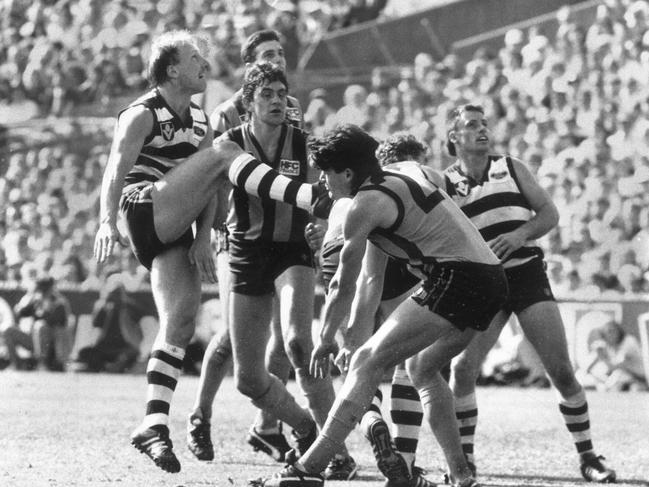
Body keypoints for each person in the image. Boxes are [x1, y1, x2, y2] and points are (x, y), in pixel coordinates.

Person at [256, 124, 508, 487]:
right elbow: (370, 283)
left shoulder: (364, 206)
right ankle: (461, 474)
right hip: (489, 280)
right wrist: (352, 332)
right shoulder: (391, 183)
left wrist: (327, 336)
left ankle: (308, 470)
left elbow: (345, 281)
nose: (323, 181)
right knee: (421, 369)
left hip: (458, 278)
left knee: (367, 360)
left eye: (326, 173)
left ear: (346, 172)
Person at [438, 104, 615, 483]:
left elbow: (549, 213)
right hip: (485, 284)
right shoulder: (447, 183)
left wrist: (520, 234)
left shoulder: (512, 167)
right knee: (463, 367)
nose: (482, 130)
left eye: (485, 124)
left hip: (526, 276)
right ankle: (465, 459)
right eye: (472, 126)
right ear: (454, 137)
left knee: (562, 371)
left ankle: (588, 456)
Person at [218, 63, 356, 480]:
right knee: (247, 379)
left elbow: (331, 198)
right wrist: (200, 238)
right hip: (245, 253)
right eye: (268, 95)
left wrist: (323, 225)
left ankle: (336, 451)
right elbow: (215, 193)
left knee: (299, 344)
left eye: (282, 93)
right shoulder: (228, 144)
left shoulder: (305, 144)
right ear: (248, 103)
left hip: (292, 252)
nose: (277, 101)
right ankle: (306, 427)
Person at [188, 28, 305, 464]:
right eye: (266, 55)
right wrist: (208, 230)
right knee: (234, 337)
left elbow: (298, 167)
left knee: (281, 332)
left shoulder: (289, 108)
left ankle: (267, 424)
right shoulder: (224, 115)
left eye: (279, 53)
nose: (277, 59)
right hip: (233, 233)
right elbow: (212, 175)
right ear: (248, 66)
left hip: (280, 235)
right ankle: (200, 414)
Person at [307, 132, 436, 487]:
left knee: (357, 363)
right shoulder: (407, 182)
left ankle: (372, 421)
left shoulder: (342, 191)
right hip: (388, 254)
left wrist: (327, 334)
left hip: (341, 254)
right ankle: (406, 463)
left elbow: (322, 223)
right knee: (407, 362)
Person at [74, 273, 146, 373]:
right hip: (105, 347)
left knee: (131, 354)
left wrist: (123, 314)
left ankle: (114, 367)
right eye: (113, 294)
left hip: (123, 348)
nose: (115, 298)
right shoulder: (103, 308)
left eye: (118, 294)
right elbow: (97, 334)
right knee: (85, 352)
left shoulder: (130, 309)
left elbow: (136, 338)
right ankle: (104, 367)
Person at [3, 275, 71, 371]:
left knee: (41, 326)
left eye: (46, 287)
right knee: (9, 331)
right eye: (41, 287)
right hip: (35, 341)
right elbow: (18, 313)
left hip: (52, 343)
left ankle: (42, 364)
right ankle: (16, 364)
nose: (43, 290)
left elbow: (57, 322)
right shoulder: (36, 299)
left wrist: (43, 313)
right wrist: (28, 297)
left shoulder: (59, 302)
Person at [579, 319, 646, 392]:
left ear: (619, 331)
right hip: (626, 379)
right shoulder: (606, 345)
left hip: (641, 379)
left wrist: (602, 356)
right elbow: (586, 369)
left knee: (618, 378)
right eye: (607, 333)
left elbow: (615, 367)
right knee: (598, 380)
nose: (611, 334)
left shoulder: (629, 342)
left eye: (612, 331)